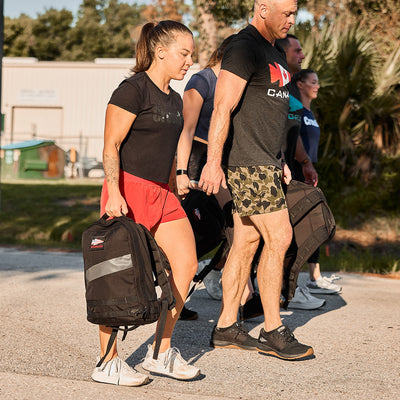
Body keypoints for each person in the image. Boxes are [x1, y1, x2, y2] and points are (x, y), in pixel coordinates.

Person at [199, 0, 313, 360]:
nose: (292, 20)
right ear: (263, 8)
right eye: (287, 12)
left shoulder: (275, 52)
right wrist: (213, 163)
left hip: (265, 161)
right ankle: (273, 330)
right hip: (246, 163)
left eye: (295, 12)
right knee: (280, 236)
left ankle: (227, 326)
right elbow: (222, 106)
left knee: (247, 240)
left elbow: (269, 112)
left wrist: (279, 158)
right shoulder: (243, 46)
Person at [91, 20, 200, 386]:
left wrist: (175, 180)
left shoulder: (173, 98)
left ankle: (161, 353)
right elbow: (111, 146)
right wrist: (114, 191)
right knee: (118, 277)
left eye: (192, 55)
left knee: (185, 265)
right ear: (160, 51)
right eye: (184, 54)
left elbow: (166, 149)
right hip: (128, 188)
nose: (189, 61)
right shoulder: (132, 90)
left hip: (162, 192)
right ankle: (107, 361)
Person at [274, 34, 326, 310]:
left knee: (292, 231)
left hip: (291, 169)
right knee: (282, 234)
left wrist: (306, 164)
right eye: (297, 51)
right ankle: (285, 291)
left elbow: (293, 135)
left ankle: (288, 289)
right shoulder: (280, 84)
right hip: (275, 168)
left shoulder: (292, 91)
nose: (302, 55)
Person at [292, 68, 342, 294]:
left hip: (309, 170)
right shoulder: (296, 110)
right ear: (300, 84)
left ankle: (315, 276)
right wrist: (302, 166)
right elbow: (291, 142)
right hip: (296, 171)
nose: (317, 86)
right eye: (313, 82)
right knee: (306, 224)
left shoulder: (310, 113)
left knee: (316, 223)